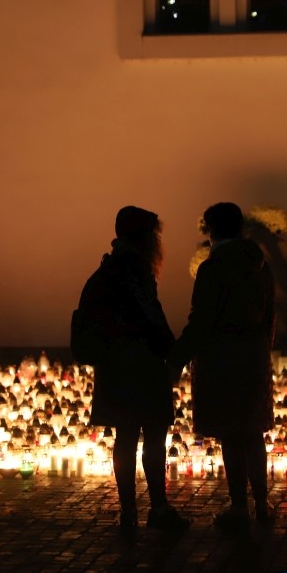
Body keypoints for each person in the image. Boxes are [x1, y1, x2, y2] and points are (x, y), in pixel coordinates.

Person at [82, 206, 189, 533]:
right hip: (142, 364)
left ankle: (128, 512)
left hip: (115, 365)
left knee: (125, 437)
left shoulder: (108, 268)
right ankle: (159, 509)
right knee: (154, 436)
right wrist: (174, 353)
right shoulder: (135, 270)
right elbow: (151, 316)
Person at [170, 202, 276, 531]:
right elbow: (270, 314)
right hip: (254, 357)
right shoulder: (260, 266)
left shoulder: (212, 268)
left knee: (231, 434)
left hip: (221, 360)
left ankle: (239, 506)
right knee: (253, 431)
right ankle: (262, 502)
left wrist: (177, 357)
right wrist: (262, 350)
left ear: (211, 231)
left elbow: (201, 320)